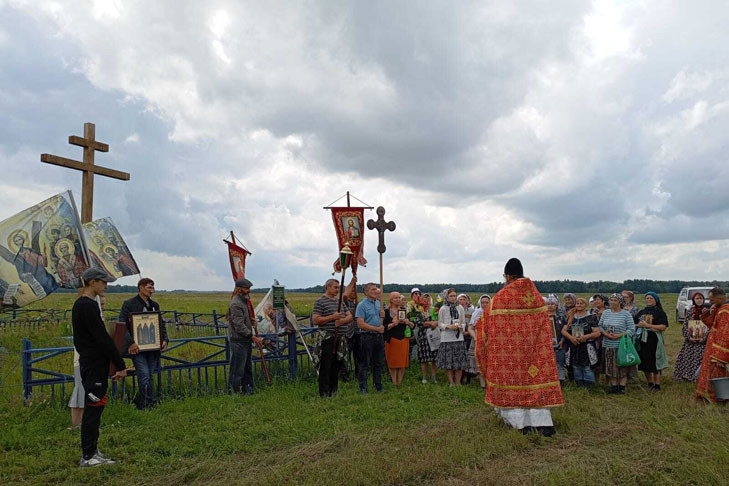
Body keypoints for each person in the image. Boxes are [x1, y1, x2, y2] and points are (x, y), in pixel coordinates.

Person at [475, 258, 563, 436]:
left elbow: (484, 325)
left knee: (513, 384)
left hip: (509, 356)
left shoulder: (500, 298)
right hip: (535, 354)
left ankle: (520, 424)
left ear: (507, 276)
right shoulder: (536, 297)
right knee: (534, 383)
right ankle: (543, 424)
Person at [72, 268, 126, 467]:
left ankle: (93, 450)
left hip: (93, 363)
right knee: (93, 409)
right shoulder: (87, 306)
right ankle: (88, 456)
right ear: (92, 282)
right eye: (103, 282)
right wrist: (120, 364)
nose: (106, 286)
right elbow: (102, 339)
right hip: (93, 365)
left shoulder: (84, 304)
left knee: (97, 406)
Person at [118, 278, 168, 410]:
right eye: (149, 287)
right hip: (137, 348)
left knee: (150, 375)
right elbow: (122, 324)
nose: (152, 291)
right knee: (144, 374)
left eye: (153, 288)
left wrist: (165, 339)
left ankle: (151, 403)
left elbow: (161, 323)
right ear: (141, 287)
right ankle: (144, 404)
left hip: (152, 347)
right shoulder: (129, 304)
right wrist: (130, 343)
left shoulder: (154, 305)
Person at [312, 279, 352, 397]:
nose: (337, 290)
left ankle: (333, 391)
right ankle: (324, 392)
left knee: (336, 365)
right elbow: (316, 320)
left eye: (338, 288)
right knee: (326, 365)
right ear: (328, 287)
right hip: (327, 338)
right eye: (335, 287)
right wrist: (332, 317)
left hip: (340, 338)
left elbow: (349, 316)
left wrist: (341, 321)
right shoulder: (320, 301)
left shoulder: (340, 302)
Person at [227, 278, 263, 395]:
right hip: (238, 341)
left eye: (249, 288)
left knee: (247, 369)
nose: (249, 291)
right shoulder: (236, 304)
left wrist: (251, 321)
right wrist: (252, 336)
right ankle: (234, 392)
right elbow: (239, 326)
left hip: (245, 340)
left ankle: (247, 390)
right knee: (237, 369)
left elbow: (243, 320)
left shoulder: (243, 301)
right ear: (239, 289)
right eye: (246, 288)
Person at [696, 287, 729, 402]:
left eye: (712, 299)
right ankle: (711, 396)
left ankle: (715, 397)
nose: (710, 302)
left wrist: (720, 356)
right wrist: (711, 312)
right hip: (712, 348)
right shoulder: (720, 309)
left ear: (720, 298)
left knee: (714, 373)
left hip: (716, 351)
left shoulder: (725, 311)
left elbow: (724, 334)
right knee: (710, 372)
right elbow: (711, 324)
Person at [598, 294, 636, 394]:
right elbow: (600, 326)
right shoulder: (606, 313)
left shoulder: (626, 314)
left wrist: (619, 335)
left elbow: (632, 329)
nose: (612, 302)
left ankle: (622, 387)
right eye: (611, 300)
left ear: (620, 302)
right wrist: (606, 334)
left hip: (622, 345)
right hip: (608, 344)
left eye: (615, 300)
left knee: (622, 366)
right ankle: (614, 386)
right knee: (610, 366)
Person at [562, 297, 600, 388]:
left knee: (587, 366)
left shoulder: (591, 317)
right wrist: (571, 338)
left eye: (581, 303)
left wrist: (586, 337)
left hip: (587, 346)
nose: (579, 305)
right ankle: (579, 386)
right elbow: (564, 330)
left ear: (585, 305)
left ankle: (589, 387)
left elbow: (597, 332)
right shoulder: (571, 316)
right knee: (575, 365)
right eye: (577, 303)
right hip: (573, 345)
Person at [355, 283, 385, 394]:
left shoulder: (379, 304)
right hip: (367, 336)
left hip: (378, 337)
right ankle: (363, 388)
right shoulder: (361, 305)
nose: (375, 291)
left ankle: (378, 385)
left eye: (376, 289)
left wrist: (382, 316)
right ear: (366, 292)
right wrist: (376, 329)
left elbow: (379, 319)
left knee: (378, 363)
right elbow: (360, 324)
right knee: (364, 363)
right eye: (373, 289)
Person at [635, 292, 669, 391]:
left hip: (654, 339)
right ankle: (650, 383)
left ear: (656, 300)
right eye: (647, 298)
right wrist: (639, 325)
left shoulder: (660, 312)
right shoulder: (642, 312)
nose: (649, 300)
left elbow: (663, 327)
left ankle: (657, 384)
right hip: (643, 339)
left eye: (651, 298)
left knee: (655, 361)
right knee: (645, 361)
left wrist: (648, 326)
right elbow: (635, 323)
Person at [673, 292, 709, 382]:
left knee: (702, 359)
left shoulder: (707, 312)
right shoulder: (690, 311)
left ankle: (701, 377)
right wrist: (689, 337)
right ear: (694, 300)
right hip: (690, 341)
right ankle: (688, 375)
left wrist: (704, 337)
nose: (699, 300)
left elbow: (709, 326)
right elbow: (685, 325)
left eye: (701, 298)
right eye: (697, 298)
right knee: (688, 358)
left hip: (703, 342)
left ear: (703, 300)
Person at [436, 289, 467, 385]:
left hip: (458, 337)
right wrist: (448, 326)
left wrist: (461, 327)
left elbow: (463, 322)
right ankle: (451, 383)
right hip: (446, 338)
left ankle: (458, 383)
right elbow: (440, 323)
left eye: (454, 296)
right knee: (448, 361)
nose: (453, 298)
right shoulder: (443, 308)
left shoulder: (460, 308)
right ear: (447, 297)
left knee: (459, 361)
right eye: (451, 296)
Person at [383, 292, 414, 385]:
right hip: (391, 339)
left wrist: (408, 322)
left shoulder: (405, 311)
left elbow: (413, 325)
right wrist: (393, 324)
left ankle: (399, 382)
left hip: (403, 339)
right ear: (391, 300)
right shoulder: (386, 312)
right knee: (392, 362)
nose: (398, 299)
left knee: (402, 362)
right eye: (395, 298)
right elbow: (383, 327)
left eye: (399, 297)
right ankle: (394, 381)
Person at [466, 294, 490, 389]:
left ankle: (490, 383)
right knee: (480, 362)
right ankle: (482, 384)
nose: (485, 304)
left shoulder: (493, 313)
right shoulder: (477, 313)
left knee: (490, 362)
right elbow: (470, 328)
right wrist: (475, 337)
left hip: (490, 342)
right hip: (478, 340)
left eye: (487, 302)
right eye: (483, 302)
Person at [413, 293, 438, 384]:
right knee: (424, 358)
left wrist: (435, 323)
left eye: (428, 299)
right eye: (425, 299)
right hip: (423, 335)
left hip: (434, 334)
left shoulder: (434, 309)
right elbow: (418, 322)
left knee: (434, 357)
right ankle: (424, 377)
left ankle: (434, 377)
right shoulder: (418, 310)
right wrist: (430, 323)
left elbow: (439, 319)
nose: (427, 301)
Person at [546, 294, 567, 385]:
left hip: (560, 343)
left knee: (559, 362)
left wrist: (562, 340)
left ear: (556, 305)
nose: (550, 306)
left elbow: (565, 330)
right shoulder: (542, 317)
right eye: (548, 304)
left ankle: (560, 380)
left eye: (552, 304)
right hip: (546, 344)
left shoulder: (561, 317)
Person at [458, 294, 476, 384]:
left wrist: (468, 332)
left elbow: (473, 323)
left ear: (467, 301)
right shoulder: (456, 310)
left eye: (464, 300)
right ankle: (460, 377)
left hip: (468, 336)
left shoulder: (472, 311)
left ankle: (468, 377)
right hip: (459, 336)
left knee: (468, 357)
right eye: (460, 300)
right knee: (460, 356)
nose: (462, 301)